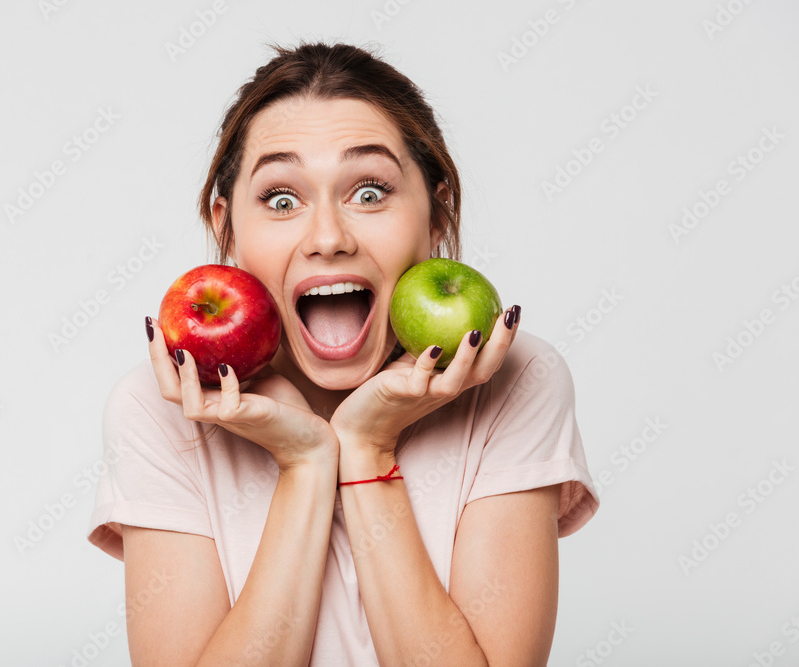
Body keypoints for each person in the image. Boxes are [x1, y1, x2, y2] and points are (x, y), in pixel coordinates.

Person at [87, 41, 599, 666]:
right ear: (227, 227)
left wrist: (366, 449)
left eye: (370, 192)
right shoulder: (158, 408)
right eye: (282, 199)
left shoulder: (517, 380)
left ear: (438, 212)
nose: (328, 237)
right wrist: (306, 464)